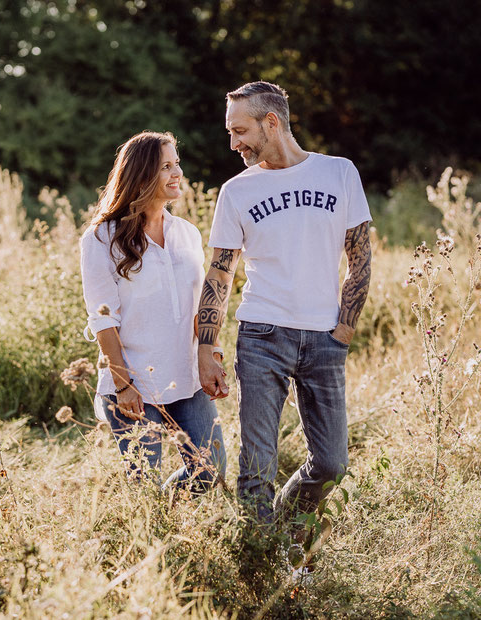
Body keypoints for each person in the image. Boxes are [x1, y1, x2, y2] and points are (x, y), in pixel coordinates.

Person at [197, 82, 372, 521]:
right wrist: (206, 346)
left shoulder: (339, 173)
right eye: (230, 133)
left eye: (240, 131)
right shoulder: (236, 191)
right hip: (261, 335)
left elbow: (360, 257)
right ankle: (264, 559)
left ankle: (283, 528)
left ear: (271, 122)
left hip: (325, 339)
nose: (233, 143)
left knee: (332, 465)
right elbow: (220, 274)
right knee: (257, 468)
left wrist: (343, 330)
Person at [80, 131, 226, 491]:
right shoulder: (101, 238)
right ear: (142, 174)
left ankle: (171, 517)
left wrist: (212, 356)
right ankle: (151, 537)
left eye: (177, 164)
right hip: (133, 386)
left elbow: (198, 306)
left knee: (211, 468)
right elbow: (103, 318)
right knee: (143, 483)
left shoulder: (187, 233)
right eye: (166, 167)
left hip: (186, 378)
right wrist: (124, 383)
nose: (177, 173)